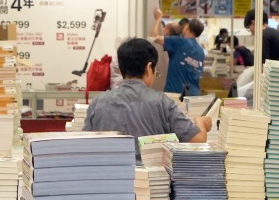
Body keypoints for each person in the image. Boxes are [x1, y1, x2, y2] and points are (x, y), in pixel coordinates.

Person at [83, 38, 212, 163]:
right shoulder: (162, 102)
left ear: (121, 70)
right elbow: (198, 141)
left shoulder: (98, 102)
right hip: (151, 182)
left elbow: (84, 145)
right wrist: (200, 123)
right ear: (149, 68)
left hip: (109, 180)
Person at [151, 8, 205, 97]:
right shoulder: (201, 52)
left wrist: (158, 19)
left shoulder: (180, 42)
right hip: (193, 95)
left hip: (175, 94)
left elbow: (153, 37)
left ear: (187, 26)